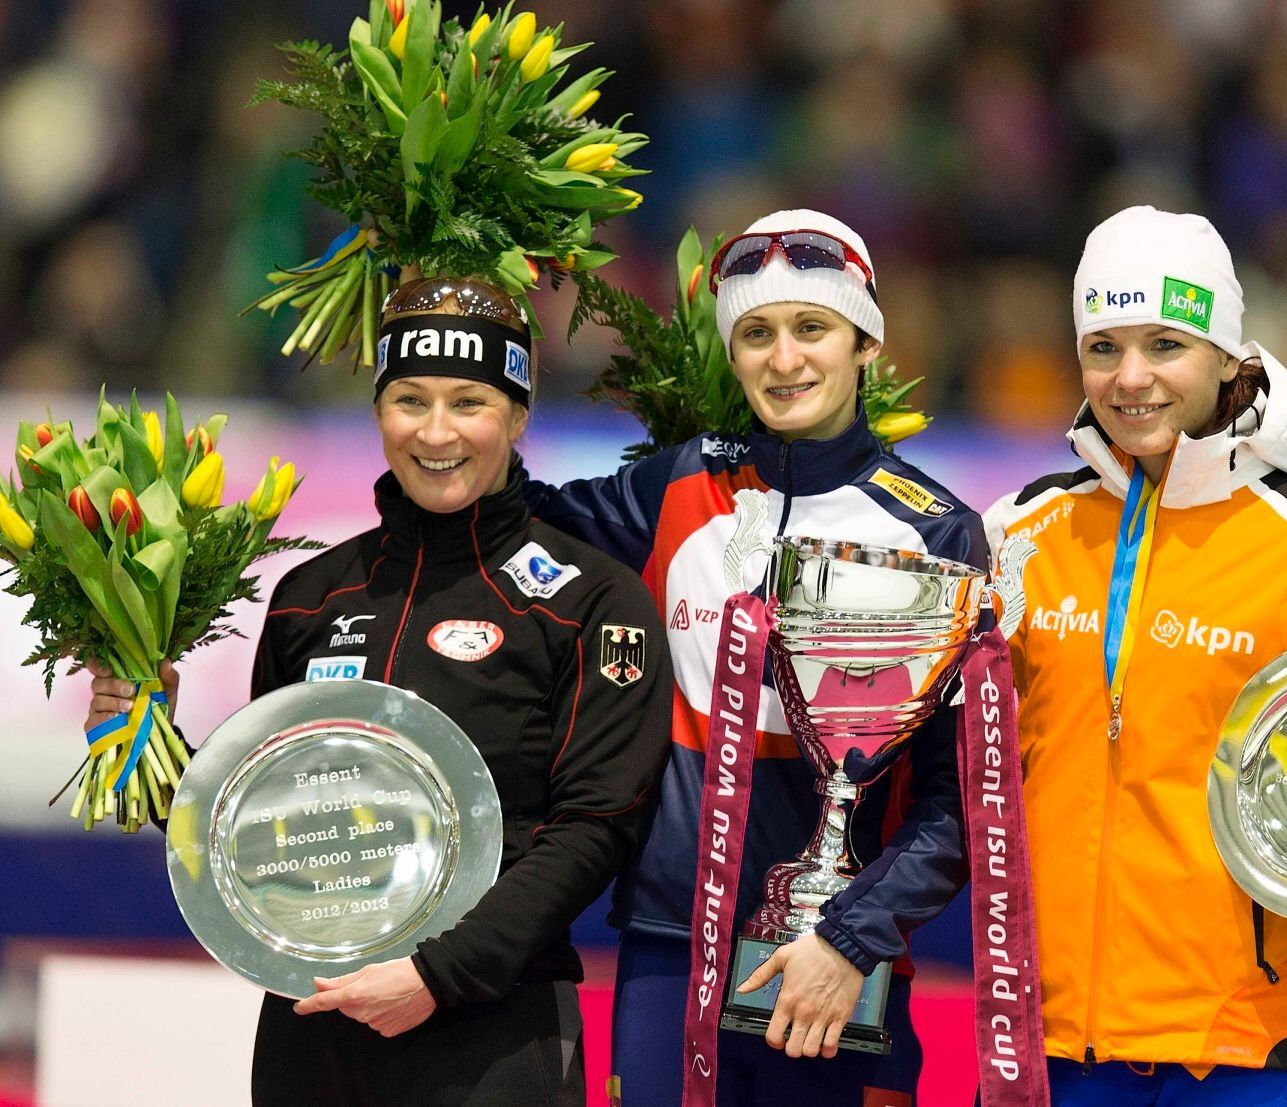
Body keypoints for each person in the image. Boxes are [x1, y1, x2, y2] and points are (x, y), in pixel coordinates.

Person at [86, 278, 673, 1106]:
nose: (437, 432)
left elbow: (594, 828)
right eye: (410, 399)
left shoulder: (591, 599)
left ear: (517, 417)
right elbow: (267, 823)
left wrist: (438, 975)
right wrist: (145, 739)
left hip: (491, 1031)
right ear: (379, 411)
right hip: (311, 1030)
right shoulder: (310, 594)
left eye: (470, 401)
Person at [982, 205, 1287, 1106]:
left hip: (1250, 1045)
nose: (1131, 378)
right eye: (1103, 347)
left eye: (1165, 345)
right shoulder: (1019, 532)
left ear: (1227, 356)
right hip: (1046, 1038)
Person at [528, 210, 988, 1104]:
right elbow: (508, 513)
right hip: (670, 944)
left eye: (812, 327)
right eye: (757, 333)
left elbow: (958, 797)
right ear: (731, 352)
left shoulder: (933, 530)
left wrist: (853, 937)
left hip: (834, 963)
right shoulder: (676, 483)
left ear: (865, 343)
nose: (785, 360)